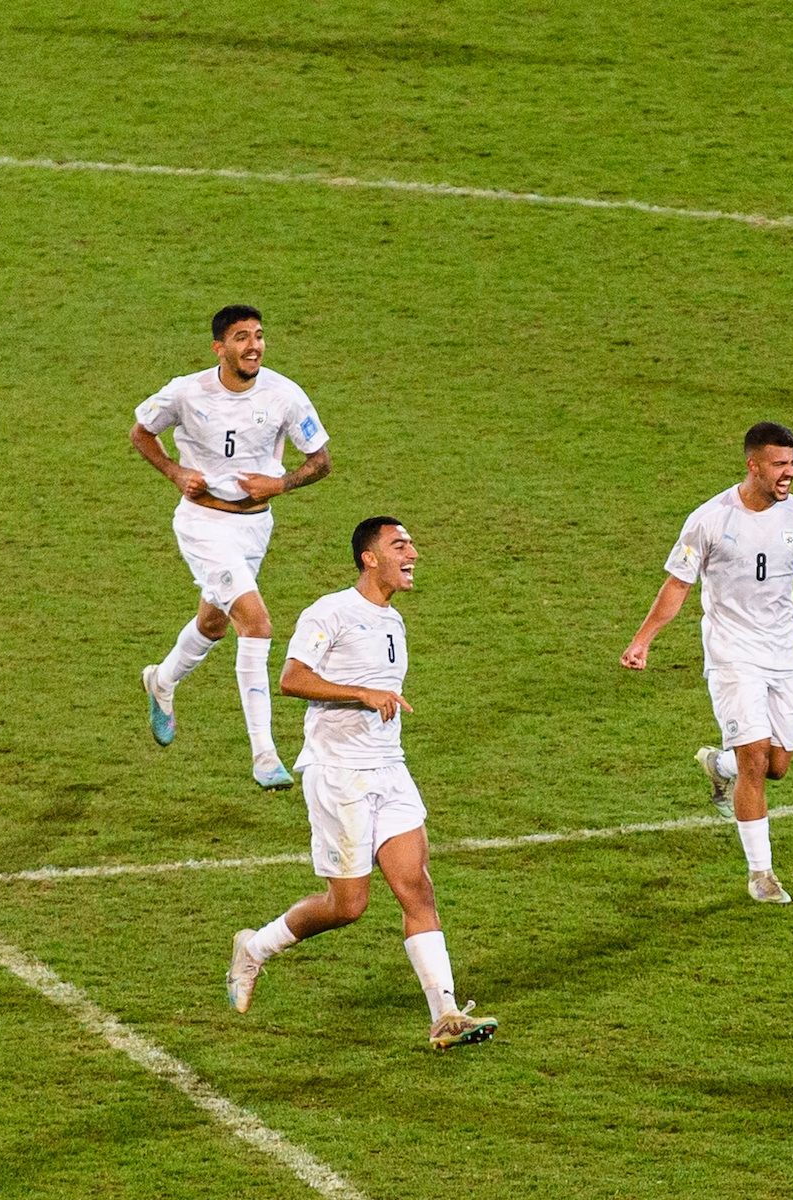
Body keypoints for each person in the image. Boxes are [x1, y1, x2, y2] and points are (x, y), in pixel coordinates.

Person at [223, 518, 496, 1050]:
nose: (413, 553)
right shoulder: (330, 612)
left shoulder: (392, 620)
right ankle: (254, 948)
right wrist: (361, 694)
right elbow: (292, 678)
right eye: (400, 545)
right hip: (339, 774)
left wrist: (374, 699)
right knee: (348, 905)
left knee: (416, 888)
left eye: (411, 543)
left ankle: (444, 1013)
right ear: (369, 558)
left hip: (390, 769)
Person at [620, 422, 793, 904]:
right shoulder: (710, 520)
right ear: (753, 466)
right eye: (779, 465)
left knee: (777, 766)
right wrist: (643, 640)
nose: (789, 473)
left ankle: (718, 764)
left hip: (782, 655)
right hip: (731, 654)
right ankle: (761, 874)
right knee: (755, 759)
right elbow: (678, 585)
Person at [130, 304, 333, 789]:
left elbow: (321, 460)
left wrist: (280, 485)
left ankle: (163, 680)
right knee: (256, 623)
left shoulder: (285, 395)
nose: (254, 345)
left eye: (259, 336)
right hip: (203, 523)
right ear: (220, 348)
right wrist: (175, 472)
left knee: (213, 622)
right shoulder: (186, 391)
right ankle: (264, 754)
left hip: (254, 528)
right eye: (242, 337)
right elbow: (141, 433)